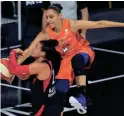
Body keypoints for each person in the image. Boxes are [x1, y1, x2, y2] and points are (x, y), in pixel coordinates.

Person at [15, 4, 124, 114]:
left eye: (51, 17)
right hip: (65, 60)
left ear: (60, 16)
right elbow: (28, 51)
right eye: (47, 17)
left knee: (77, 60)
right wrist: (12, 67)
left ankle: (82, 96)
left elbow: (99, 24)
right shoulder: (46, 33)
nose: (48, 20)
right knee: (58, 95)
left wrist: (122, 24)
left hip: (82, 50)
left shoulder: (71, 24)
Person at [8, 40, 62, 116]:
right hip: (50, 106)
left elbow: (14, 69)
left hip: (44, 109)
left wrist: (13, 52)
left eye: (36, 47)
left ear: (42, 53)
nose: (33, 48)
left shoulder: (40, 66)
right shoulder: (44, 62)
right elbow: (23, 76)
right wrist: (15, 68)